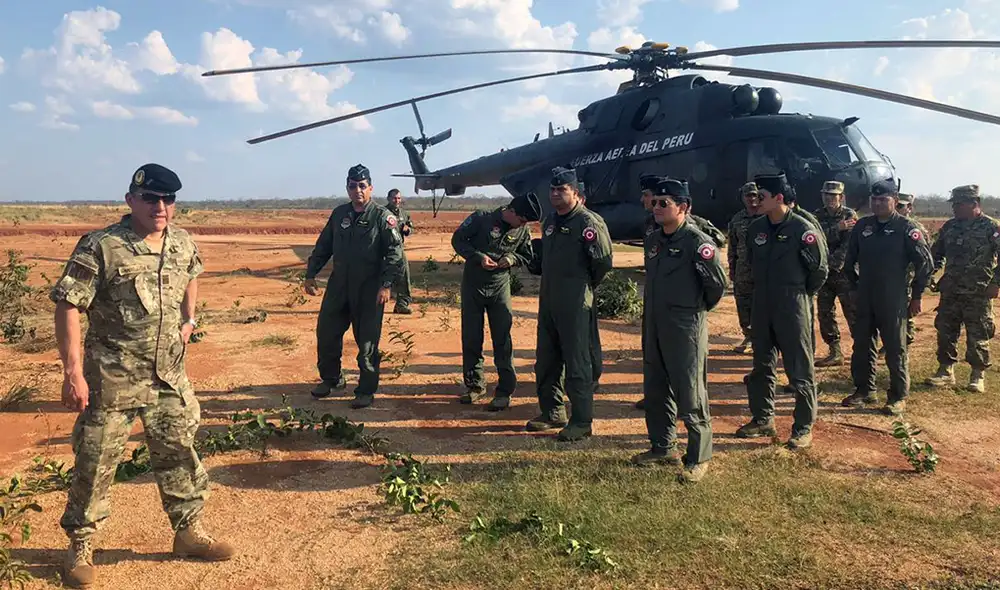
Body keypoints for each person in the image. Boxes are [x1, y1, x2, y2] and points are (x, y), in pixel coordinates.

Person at [50, 163, 235, 589]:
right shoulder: (102, 245)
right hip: (112, 378)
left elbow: (192, 275)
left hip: (168, 375)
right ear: (131, 200)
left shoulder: (182, 242)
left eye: (168, 199)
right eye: (151, 198)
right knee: (95, 462)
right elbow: (68, 305)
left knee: (179, 454)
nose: (160, 207)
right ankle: (80, 544)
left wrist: (190, 320)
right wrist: (73, 371)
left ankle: (188, 532)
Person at [630, 178, 728, 484]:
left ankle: (699, 456)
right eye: (654, 202)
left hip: (685, 324)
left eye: (664, 203)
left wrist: (691, 309)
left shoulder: (699, 244)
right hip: (655, 323)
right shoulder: (654, 241)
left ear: (683, 207)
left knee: (690, 391)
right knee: (656, 387)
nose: (656, 208)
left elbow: (716, 287)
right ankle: (663, 446)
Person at [736, 172, 828, 450]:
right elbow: (750, 263)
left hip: (793, 302)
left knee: (799, 368)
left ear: (778, 198)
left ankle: (802, 426)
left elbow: (819, 270)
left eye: (762, 196)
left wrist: (799, 294)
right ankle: (763, 418)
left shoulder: (803, 229)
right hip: (763, 303)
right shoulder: (756, 229)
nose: (756, 201)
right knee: (762, 365)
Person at [304, 164, 405, 408]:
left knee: (367, 341)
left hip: (369, 288)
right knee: (327, 332)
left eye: (362, 186)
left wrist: (387, 285)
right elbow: (324, 245)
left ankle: (366, 389)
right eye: (352, 186)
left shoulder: (383, 217)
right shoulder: (340, 214)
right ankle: (331, 378)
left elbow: (395, 254)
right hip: (339, 285)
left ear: (370, 188)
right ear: (347, 188)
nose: (357, 190)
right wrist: (310, 274)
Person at [527, 166, 613, 441]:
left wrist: (582, 287)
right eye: (552, 189)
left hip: (575, 303)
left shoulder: (588, 223)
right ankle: (552, 412)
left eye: (561, 189)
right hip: (549, 301)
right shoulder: (551, 221)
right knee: (547, 361)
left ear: (575, 193)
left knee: (578, 363)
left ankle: (581, 421)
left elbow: (602, 262)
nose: (555, 194)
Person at [840, 179, 933, 415]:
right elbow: (849, 261)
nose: (878, 203)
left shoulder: (906, 228)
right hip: (865, 295)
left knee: (894, 347)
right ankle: (864, 390)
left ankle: (898, 396)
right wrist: (853, 288)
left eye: (883, 199)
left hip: (893, 297)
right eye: (874, 199)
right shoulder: (863, 227)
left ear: (894, 201)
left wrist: (917, 295)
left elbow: (925, 264)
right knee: (862, 345)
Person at [451, 192, 540, 409]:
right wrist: (478, 257)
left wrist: (511, 259)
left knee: (503, 338)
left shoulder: (522, 229)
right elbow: (458, 239)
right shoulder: (482, 218)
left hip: (500, 287)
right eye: (520, 220)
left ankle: (505, 390)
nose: (522, 224)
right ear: (510, 211)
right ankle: (475, 385)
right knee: (472, 336)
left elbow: (526, 256)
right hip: (474, 284)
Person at [926, 184, 1000, 393]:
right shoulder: (950, 227)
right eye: (954, 204)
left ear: (974, 204)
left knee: (978, 333)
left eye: (959, 204)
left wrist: (996, 282)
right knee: (946, 330)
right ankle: (945, 371)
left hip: (978, 291)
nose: (955, 209)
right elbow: (936, 254)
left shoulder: (990, 227)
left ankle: (977, 374)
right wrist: (931, 273)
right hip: (950, 290)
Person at [814, 180, 858, 367]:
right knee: (825, 313)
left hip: (843, 273)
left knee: (853, 312)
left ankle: (862, 349)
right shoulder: (816, 215)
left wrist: (832, 263)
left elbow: (849, 245)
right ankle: (835, 351)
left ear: (841, 197)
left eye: (834, 195)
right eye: (827, 195)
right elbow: (814, 238)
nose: (830, 198)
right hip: (824, 273)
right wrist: (837, 229)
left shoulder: (850, 214)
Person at [727, 182, 760, 353]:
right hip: (742, 270)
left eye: (754, 195)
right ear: (743, 198)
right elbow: (732, 245)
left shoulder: (766, 216)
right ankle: (748, 336)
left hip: (763, 270)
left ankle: (762, 340)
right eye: (748, 196)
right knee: (742, 304)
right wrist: (732, 267)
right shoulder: (737, 219)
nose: (751, 199)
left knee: (761, 305)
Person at [896, 192, 931, 345]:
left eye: (900, 206)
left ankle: (906, 340)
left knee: (905, 311)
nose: (897, 209)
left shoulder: (915, 228)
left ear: (909, 207)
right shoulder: (892, 224)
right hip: (893, 275)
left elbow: (924, 258)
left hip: (909, 276)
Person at [386, 188, 414, 314]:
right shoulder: (383, 212)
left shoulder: (403, 213)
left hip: (398, 249)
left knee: (403, 276)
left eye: (398, 198)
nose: (396, 200)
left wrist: (408, 230)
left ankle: (402, 304)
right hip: (384, 249)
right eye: (394, 198)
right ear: (388, 199)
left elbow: (410, 228)